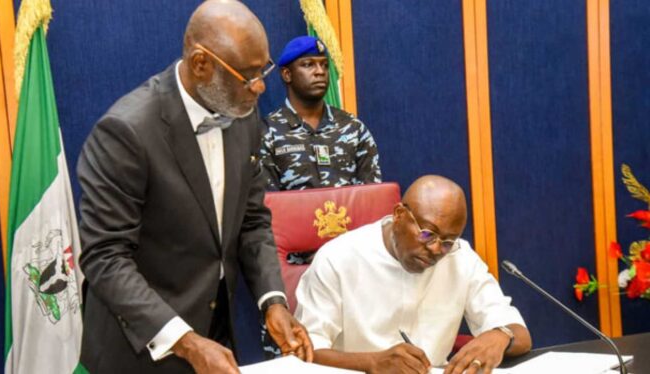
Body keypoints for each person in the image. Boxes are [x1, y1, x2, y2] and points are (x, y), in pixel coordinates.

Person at [76, 1, 312, 373]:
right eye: (248, 74)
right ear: (201, 64)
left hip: (215, 333)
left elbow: (252, 221)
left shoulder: (244, 117)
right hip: (140, 348)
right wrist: (185, 342)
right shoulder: (126, 131)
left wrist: (273, 301)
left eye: (263, 68)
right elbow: (105, 257)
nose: (261, 85)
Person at [294, 175, 532, 374]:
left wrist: (501, 335)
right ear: (399, 215)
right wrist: (372, 363)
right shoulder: (338, 258)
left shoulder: (460, 258)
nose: (437, 249)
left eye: (448, 241)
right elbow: (305, 353)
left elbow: (520, 334)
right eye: (428, 234)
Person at [259, 35, 382, 191]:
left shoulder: (353, 128)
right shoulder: (267, 132)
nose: (320, 72)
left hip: (348, 216)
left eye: (324, 65)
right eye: (308, 64)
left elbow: (372, 196)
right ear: (287, 75)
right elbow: (267, 204)